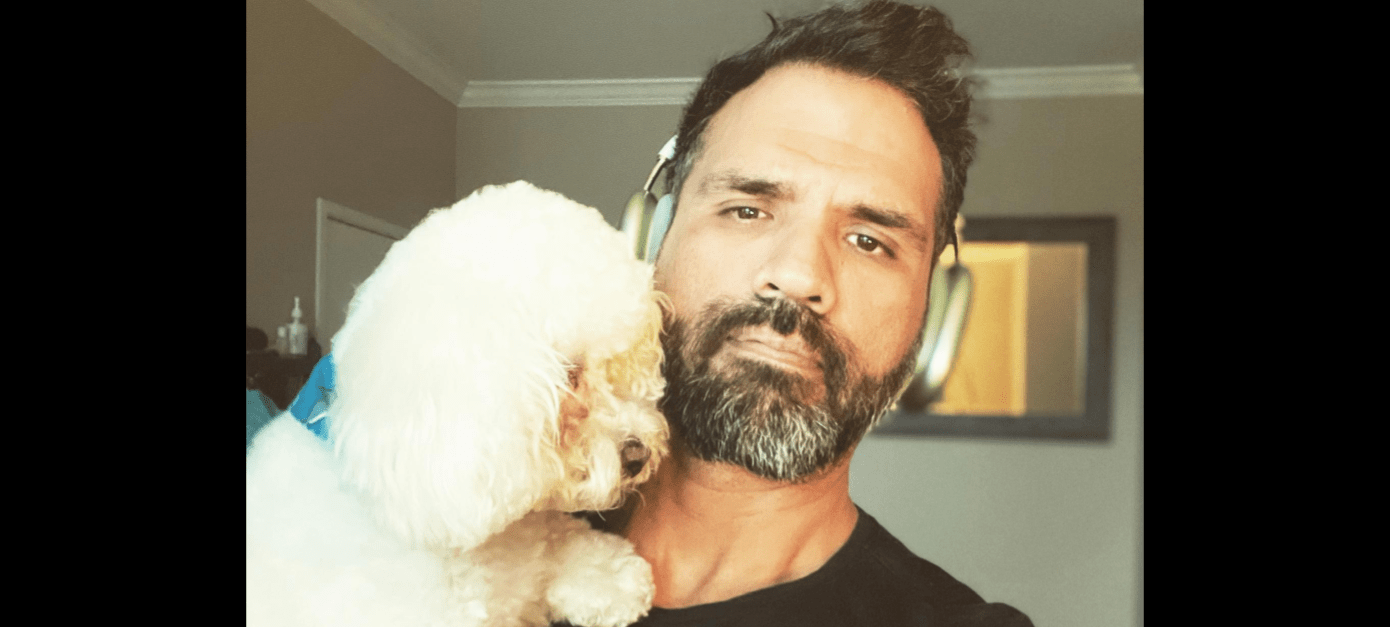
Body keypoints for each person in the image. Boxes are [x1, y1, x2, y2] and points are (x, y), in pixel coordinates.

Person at [561, 2, 1033, 625]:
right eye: (748, 210)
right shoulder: (467, 555)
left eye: (869, 240)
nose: (800, 275)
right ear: (649, 240)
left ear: (932, 313)